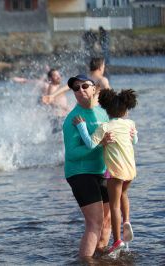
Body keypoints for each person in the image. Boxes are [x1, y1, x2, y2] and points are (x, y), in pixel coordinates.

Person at [72, 89, 138, 257]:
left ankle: (117, 241)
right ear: (125, 110)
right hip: (130, 170)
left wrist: (81, 126)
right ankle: (127, 221)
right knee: (124, 194)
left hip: (116, 172)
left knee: (114, 206)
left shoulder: (105, 127)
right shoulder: (130, 124)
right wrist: (134, 134)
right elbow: (135, 140)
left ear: (106, 110)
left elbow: (89, 144)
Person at [63, 74, 112, 258]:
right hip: (80, 172)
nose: (80, 90)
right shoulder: (72, 119)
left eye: (84, 86)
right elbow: (72, 154)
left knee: (107, 221)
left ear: (94, 89)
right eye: (76, 88)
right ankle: (85, 262)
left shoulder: (103, 113)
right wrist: (100, 144)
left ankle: (100, 256)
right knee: (95, 222)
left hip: (103, 171)